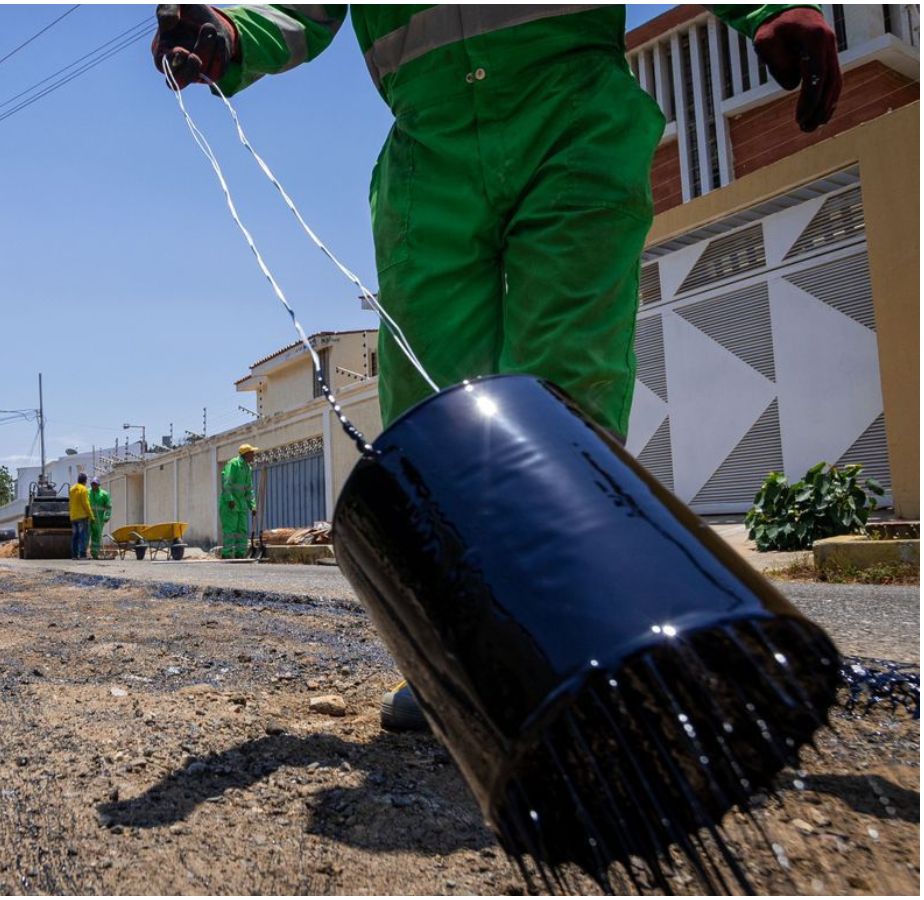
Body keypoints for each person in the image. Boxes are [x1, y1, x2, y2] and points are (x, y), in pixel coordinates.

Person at [153, 4, 840, 727]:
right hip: (431, 144)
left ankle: (579, 651)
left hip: (572, 114)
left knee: (564, 389)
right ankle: (469, 661)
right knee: (433, 412)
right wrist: (231, 29)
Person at [219, 444, 259, 558]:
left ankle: (240, 554)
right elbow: (226, 482)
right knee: (230, 530)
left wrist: (253, 505)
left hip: (241, 504)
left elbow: (249, 489)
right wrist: (229, 499)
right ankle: (226, 554)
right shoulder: (233, 464)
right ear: (246, 454)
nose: (254, 455)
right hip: (229, 504)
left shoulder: (247, 468)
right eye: (252, 453)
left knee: (242, 530)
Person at [69, 473, 94, 560]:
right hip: (82, 516)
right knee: (82, 536)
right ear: (85, 481)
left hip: (73, 517)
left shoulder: (72, 489)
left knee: (75, 536)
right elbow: (86, 504)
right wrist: (91, 516)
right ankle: (82, 555)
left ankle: (74, 555)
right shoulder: (84, 489)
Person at [89, 478, 113, 559]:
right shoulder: (88, 492)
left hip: (99, 519)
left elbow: (108, 507)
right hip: (89, 518)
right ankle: (82, 553)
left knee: (97, 537)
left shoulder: (104, 494)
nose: (93, 486)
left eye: (95, 484)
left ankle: (95, 553)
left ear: (98, 485)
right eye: (92, 484)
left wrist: (107, 516)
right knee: (86, 535)